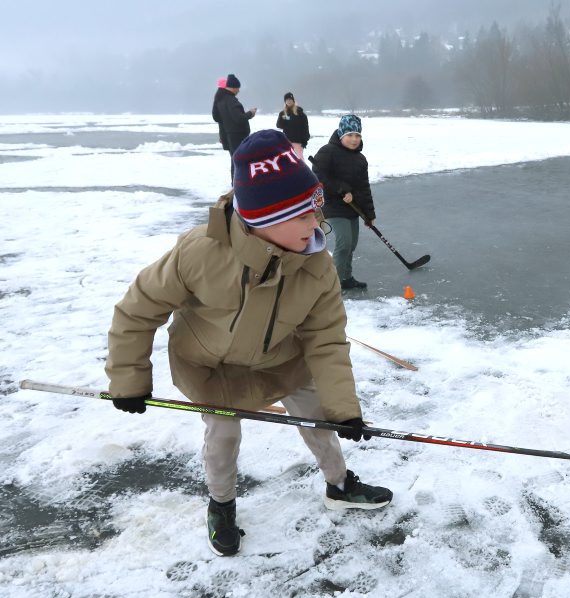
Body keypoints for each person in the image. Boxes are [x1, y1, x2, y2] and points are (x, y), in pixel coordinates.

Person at [105, 129, 393, 557]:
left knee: (318, 418)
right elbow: (138, 308)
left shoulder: (317, 267)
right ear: (264, 222)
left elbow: (326, 340)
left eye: (314, 211)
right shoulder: (199, 253)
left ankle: (339, 484)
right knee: (222, 437)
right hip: (212, 365)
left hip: (280, 359)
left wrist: (344, 410)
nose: (315, 225)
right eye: (301, 217)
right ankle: (221, 504)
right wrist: (128, 378)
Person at [310, 114, 375, 290]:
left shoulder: (360, 159)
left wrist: (369, 214)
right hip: (332, 205)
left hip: (352, 208)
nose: (354, 139)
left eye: (357, 135)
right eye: (350, 135)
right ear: (341, 135)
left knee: (351, 244)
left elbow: (364, 188)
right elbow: (317, 174)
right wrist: (341, 189)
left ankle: (346, 278)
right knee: (344, 242)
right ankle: (335, 284)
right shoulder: (328, 151)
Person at [215, 73, 258, 173]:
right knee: (240, 161)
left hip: (230, 135)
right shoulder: (231, 101)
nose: (239, 90)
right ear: (233, 88)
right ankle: (238, 183)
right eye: (238, 88)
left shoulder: (221, 100)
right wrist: (251, 113)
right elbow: (239, 118)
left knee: (235, 161)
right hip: (237, 136)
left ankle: (235, 183)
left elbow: (218, 118)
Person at [275, 92, 310, 159]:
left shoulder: (300, 113)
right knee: (288, 160)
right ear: (285, 101)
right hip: (287, 141)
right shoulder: (282, 113)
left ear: (293, 100)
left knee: (299, 160)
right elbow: (279, 125)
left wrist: (305, 140)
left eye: (290, 99)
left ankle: (302, 170)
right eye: (287, 100)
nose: (289, 101)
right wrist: (282, 118)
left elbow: (305, 127)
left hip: (298, 142)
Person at [210, 77, 229, 153]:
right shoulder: (224, 97)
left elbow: (216, 117)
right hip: (227, 130)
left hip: (223, 130)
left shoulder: (218, 97)